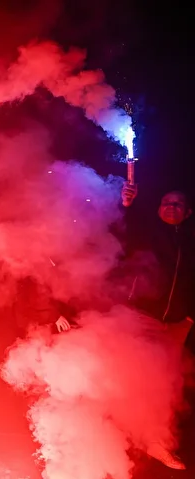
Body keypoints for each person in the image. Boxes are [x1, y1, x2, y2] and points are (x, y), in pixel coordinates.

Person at [121, 184, 192, 469]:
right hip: (144, 316)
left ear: (188, 212)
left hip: (177, 323)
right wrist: (128, 205)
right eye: (166, 202)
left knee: (166, 385)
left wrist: (190, 318)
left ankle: (156, 442)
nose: (171, 207)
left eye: (178, 203)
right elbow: (127, 226)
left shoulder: (191, 240)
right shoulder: (147, 231)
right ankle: (117, 438)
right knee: (135, 379)